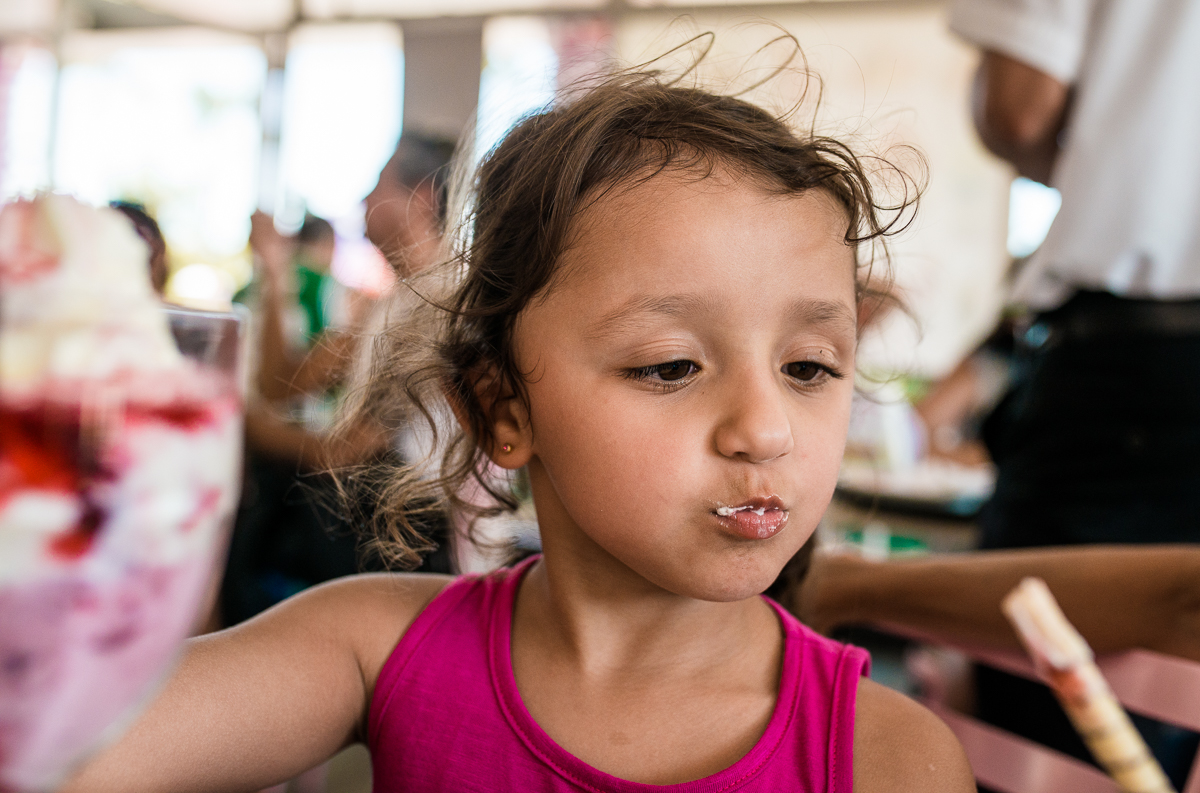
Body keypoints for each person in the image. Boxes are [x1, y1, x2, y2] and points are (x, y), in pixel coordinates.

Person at [63, 62, 972, 792]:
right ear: (504, 409)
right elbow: (58, 747)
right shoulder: (373, 646)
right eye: (670, 365)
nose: (767, 429)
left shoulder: (889, 756)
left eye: (808, 367)